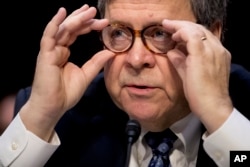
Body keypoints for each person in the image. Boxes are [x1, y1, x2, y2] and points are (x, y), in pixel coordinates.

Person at [0, 0, 250, 166]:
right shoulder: (60, 118)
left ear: (212, 37)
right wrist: (40, 118)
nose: (136, 59)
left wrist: (220, 118)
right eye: (119, 33)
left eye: (160, 34)